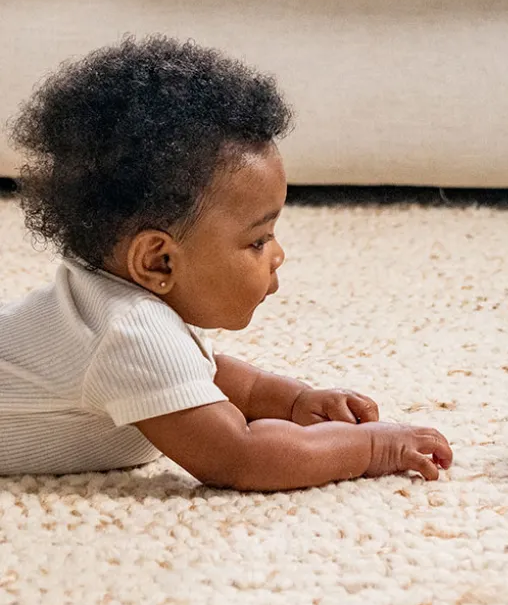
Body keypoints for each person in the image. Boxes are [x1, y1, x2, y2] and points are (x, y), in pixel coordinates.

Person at [0, 36, 453, 487]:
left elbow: (213, 373)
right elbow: (242, 456)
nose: (278, 254)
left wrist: (294, 401)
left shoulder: (125, 308)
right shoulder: (129, 331)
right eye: (258, 240)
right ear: (159, 262)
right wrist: (374, 447)